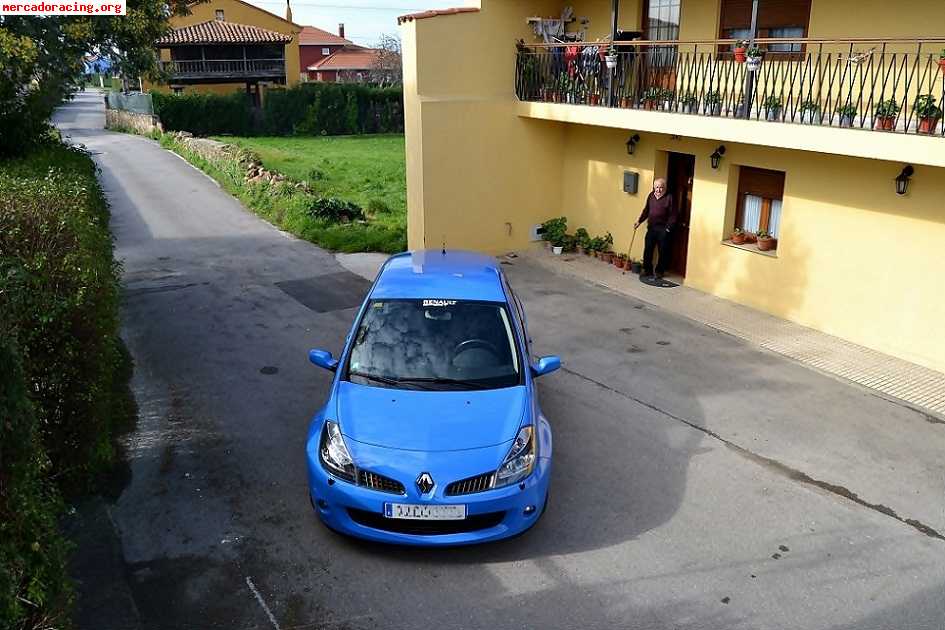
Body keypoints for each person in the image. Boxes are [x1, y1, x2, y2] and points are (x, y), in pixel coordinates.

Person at [634, 178, 677, 281]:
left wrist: (668, 229)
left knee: (662, 252)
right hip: (651, 228)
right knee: (648, 249)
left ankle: (659, 271)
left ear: (665, 188)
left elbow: (673, 215)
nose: (658, 189)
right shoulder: (651, 196)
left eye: (661, 187)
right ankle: (647, 269)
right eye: (657, 187)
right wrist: (639, 221)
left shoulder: (669, 198)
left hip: (663, 229)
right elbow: (646, 210)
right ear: (654, 187)